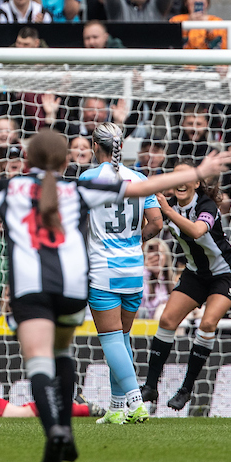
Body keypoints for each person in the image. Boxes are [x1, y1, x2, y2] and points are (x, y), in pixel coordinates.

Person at [0, 131, 228, 462]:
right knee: (64, 355)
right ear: (65, 162)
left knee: (39, 364)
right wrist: (197, 171)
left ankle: (57, 430)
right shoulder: (78, 189)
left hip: (33, 289)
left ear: (28, 160)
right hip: (73, 288)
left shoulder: (11, 188)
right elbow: (141, 188)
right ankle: (74, 421)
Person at [140, 156, 231, 411]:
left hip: (226, 274)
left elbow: (198, 231)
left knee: (207, 323)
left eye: (188, 178)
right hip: (196, 274)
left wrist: (167, 212)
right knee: (166, 321)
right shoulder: (169, 204)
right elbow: (152, 224)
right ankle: (151, 385)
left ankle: (186, 388)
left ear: (197, 183)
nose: (183, 182)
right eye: (178, 177)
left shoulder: (206, 205)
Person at [77, 123, 160, 424]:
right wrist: (136, 240)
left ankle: (136, 402)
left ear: (93, 145)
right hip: (134, 266)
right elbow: (157, 223)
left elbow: (78, 217)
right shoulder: (139, 178)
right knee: (122, 338)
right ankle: (116, 407)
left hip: (103, 267)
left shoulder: (88, 178)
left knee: (110, 339)